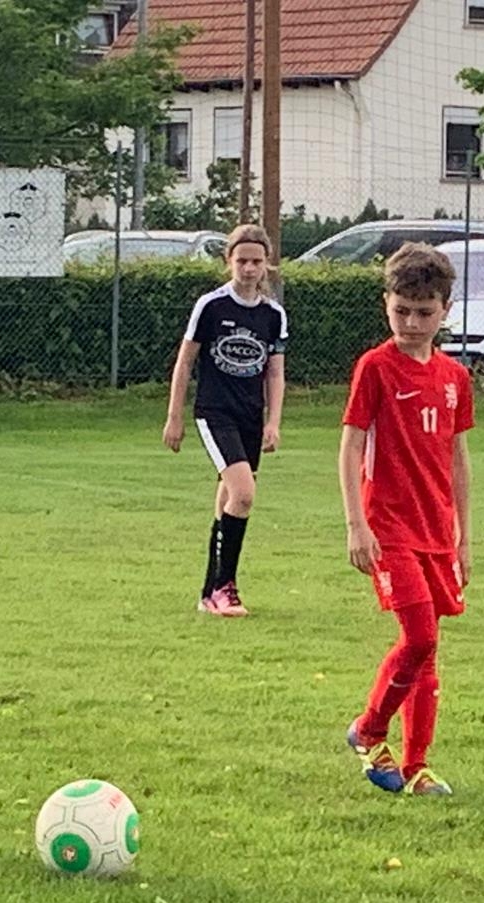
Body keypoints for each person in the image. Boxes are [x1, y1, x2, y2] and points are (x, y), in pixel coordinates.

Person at [340, 242, 474, 797]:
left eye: (424, 312)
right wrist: (356, 524)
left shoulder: (455, 376)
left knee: (429, 649)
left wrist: (463, 537)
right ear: (386, 305)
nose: (412, 323)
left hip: (437, 531)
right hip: (388, 528)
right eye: (402, 311)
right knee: (418, 637)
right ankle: (370, 729)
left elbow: (458, 457)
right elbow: (351, 446)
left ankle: (418, 766)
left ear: (445, 311)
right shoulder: (375, 367)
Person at [162, 224, 288, 617]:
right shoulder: (211, 306)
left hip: (250, 416)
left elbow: (275, 372)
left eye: (256, 261)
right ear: (228, 261)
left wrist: (273, 421)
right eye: (242, 260)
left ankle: (208, 592)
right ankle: (225, 587)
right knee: (244, 494)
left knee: (228, 499)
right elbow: (185, 362)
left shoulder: (273, 314)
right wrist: (174, 416)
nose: (249, 269)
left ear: (266, 263)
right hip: (215, 413)